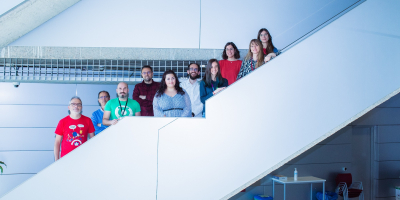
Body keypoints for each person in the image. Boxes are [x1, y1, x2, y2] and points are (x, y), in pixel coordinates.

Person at [54, 96, 95, 161]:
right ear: (69, 107)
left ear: (81, 107)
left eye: (78, 104)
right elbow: (57, 142)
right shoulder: (62, 122)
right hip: (65, 159)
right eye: (73, 104)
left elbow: (93, 140)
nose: (76, 106)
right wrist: (56, 160)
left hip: (83, 158)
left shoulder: (88, 120)